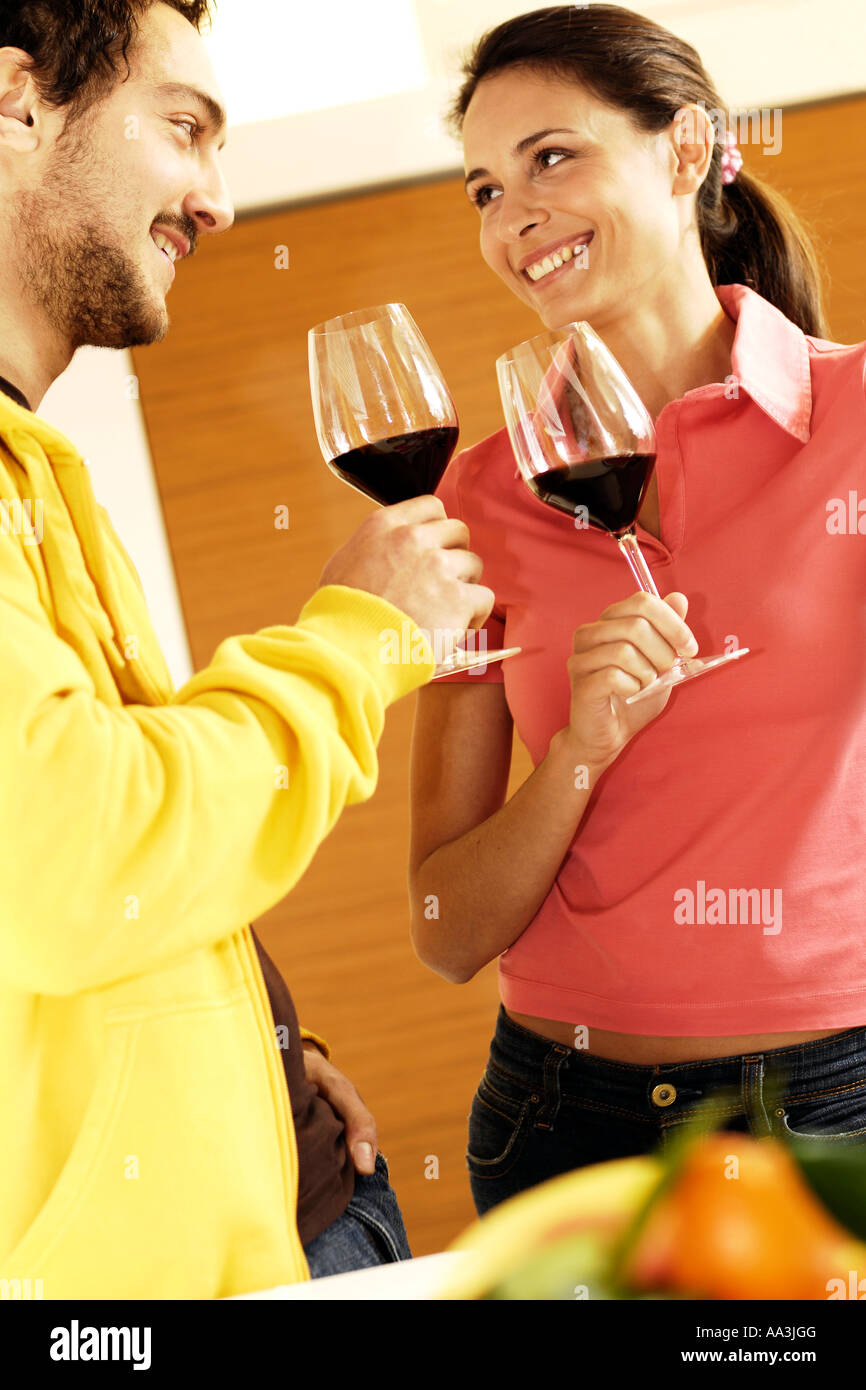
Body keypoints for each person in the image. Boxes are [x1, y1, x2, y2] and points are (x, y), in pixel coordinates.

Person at [0, 0, 493, 1296]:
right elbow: (73, 854)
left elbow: (105, 819)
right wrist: (358, 637)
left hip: (297, 1198)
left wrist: (263, 1039)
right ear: (17, 101)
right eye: (185, 129)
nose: (216, 201)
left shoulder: (42, 477)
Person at [409, 2, 866, 1218]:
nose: (514, 218)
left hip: (836, 1108)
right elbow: (447, 927)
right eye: (483, 191)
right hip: (565, 1121)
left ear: (682, 152)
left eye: (550, 157)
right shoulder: (476, 497)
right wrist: (576, 757)